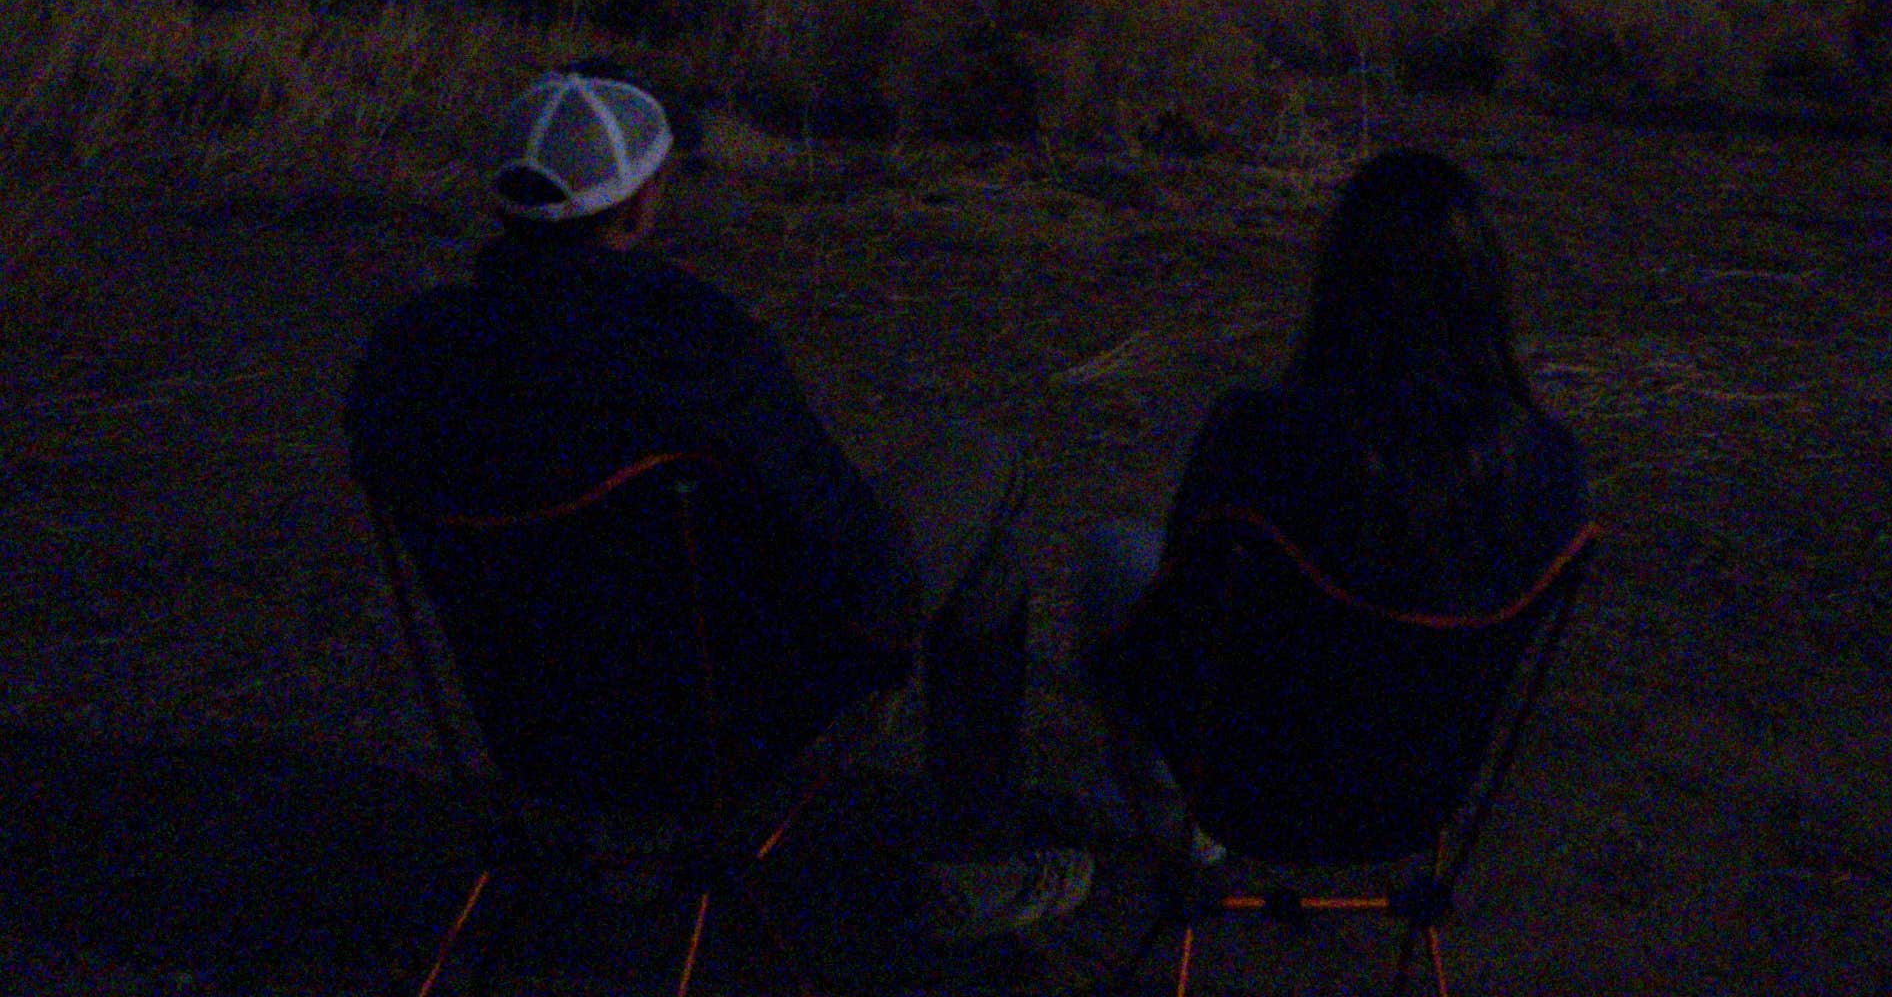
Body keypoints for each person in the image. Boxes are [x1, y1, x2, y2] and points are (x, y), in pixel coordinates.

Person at [346, 69, 1089, 940]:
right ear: (636, 208)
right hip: (714, 732)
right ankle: (976, 863)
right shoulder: (689, 340)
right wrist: (877, 642)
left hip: (534, 737)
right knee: (982, 465)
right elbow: (843, 542)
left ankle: (621, 836)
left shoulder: (410, 355)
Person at [1075, 144, 1588, 827]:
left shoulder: (1259, 429)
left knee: (1114, 554)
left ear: (1338, 285)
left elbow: (1177, 588)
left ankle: (1169, 815)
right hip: (1420, 792)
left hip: (1245, 778)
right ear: (1485, 288)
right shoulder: (1548, 460)